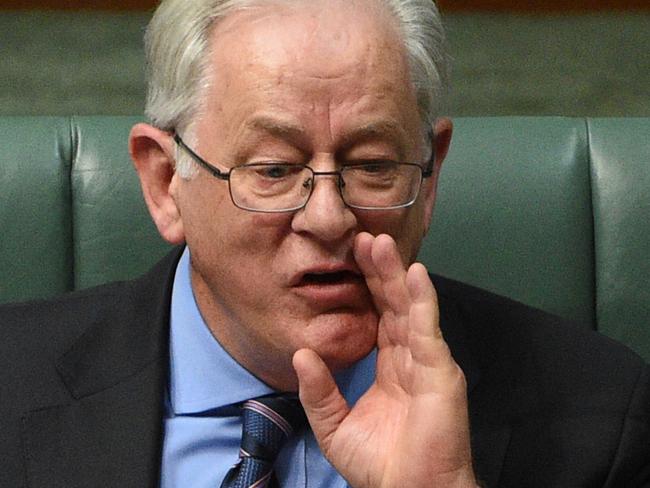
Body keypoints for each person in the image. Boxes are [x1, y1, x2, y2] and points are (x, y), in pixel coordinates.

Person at [0, 0, 648, 487]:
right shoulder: (11, 388)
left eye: (372, 164)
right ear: (166, 182)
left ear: (429, 178)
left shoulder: (601, 417)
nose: (331, 217)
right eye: (275, 169)